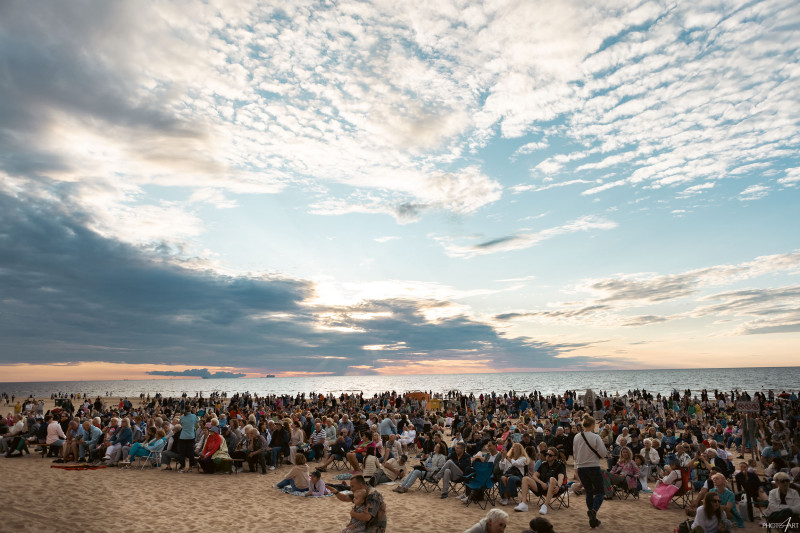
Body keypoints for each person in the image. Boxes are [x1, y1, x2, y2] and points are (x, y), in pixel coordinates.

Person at [572, 414, 607, 529]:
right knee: (600, 492)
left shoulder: (576, 437)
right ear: (592, 425)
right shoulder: (596, 437)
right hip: (593, 466)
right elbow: (603, 453)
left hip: (581, 467)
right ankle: (593, 511)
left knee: (588, 491)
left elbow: (575, 454)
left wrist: (576, 467)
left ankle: (593, 517)